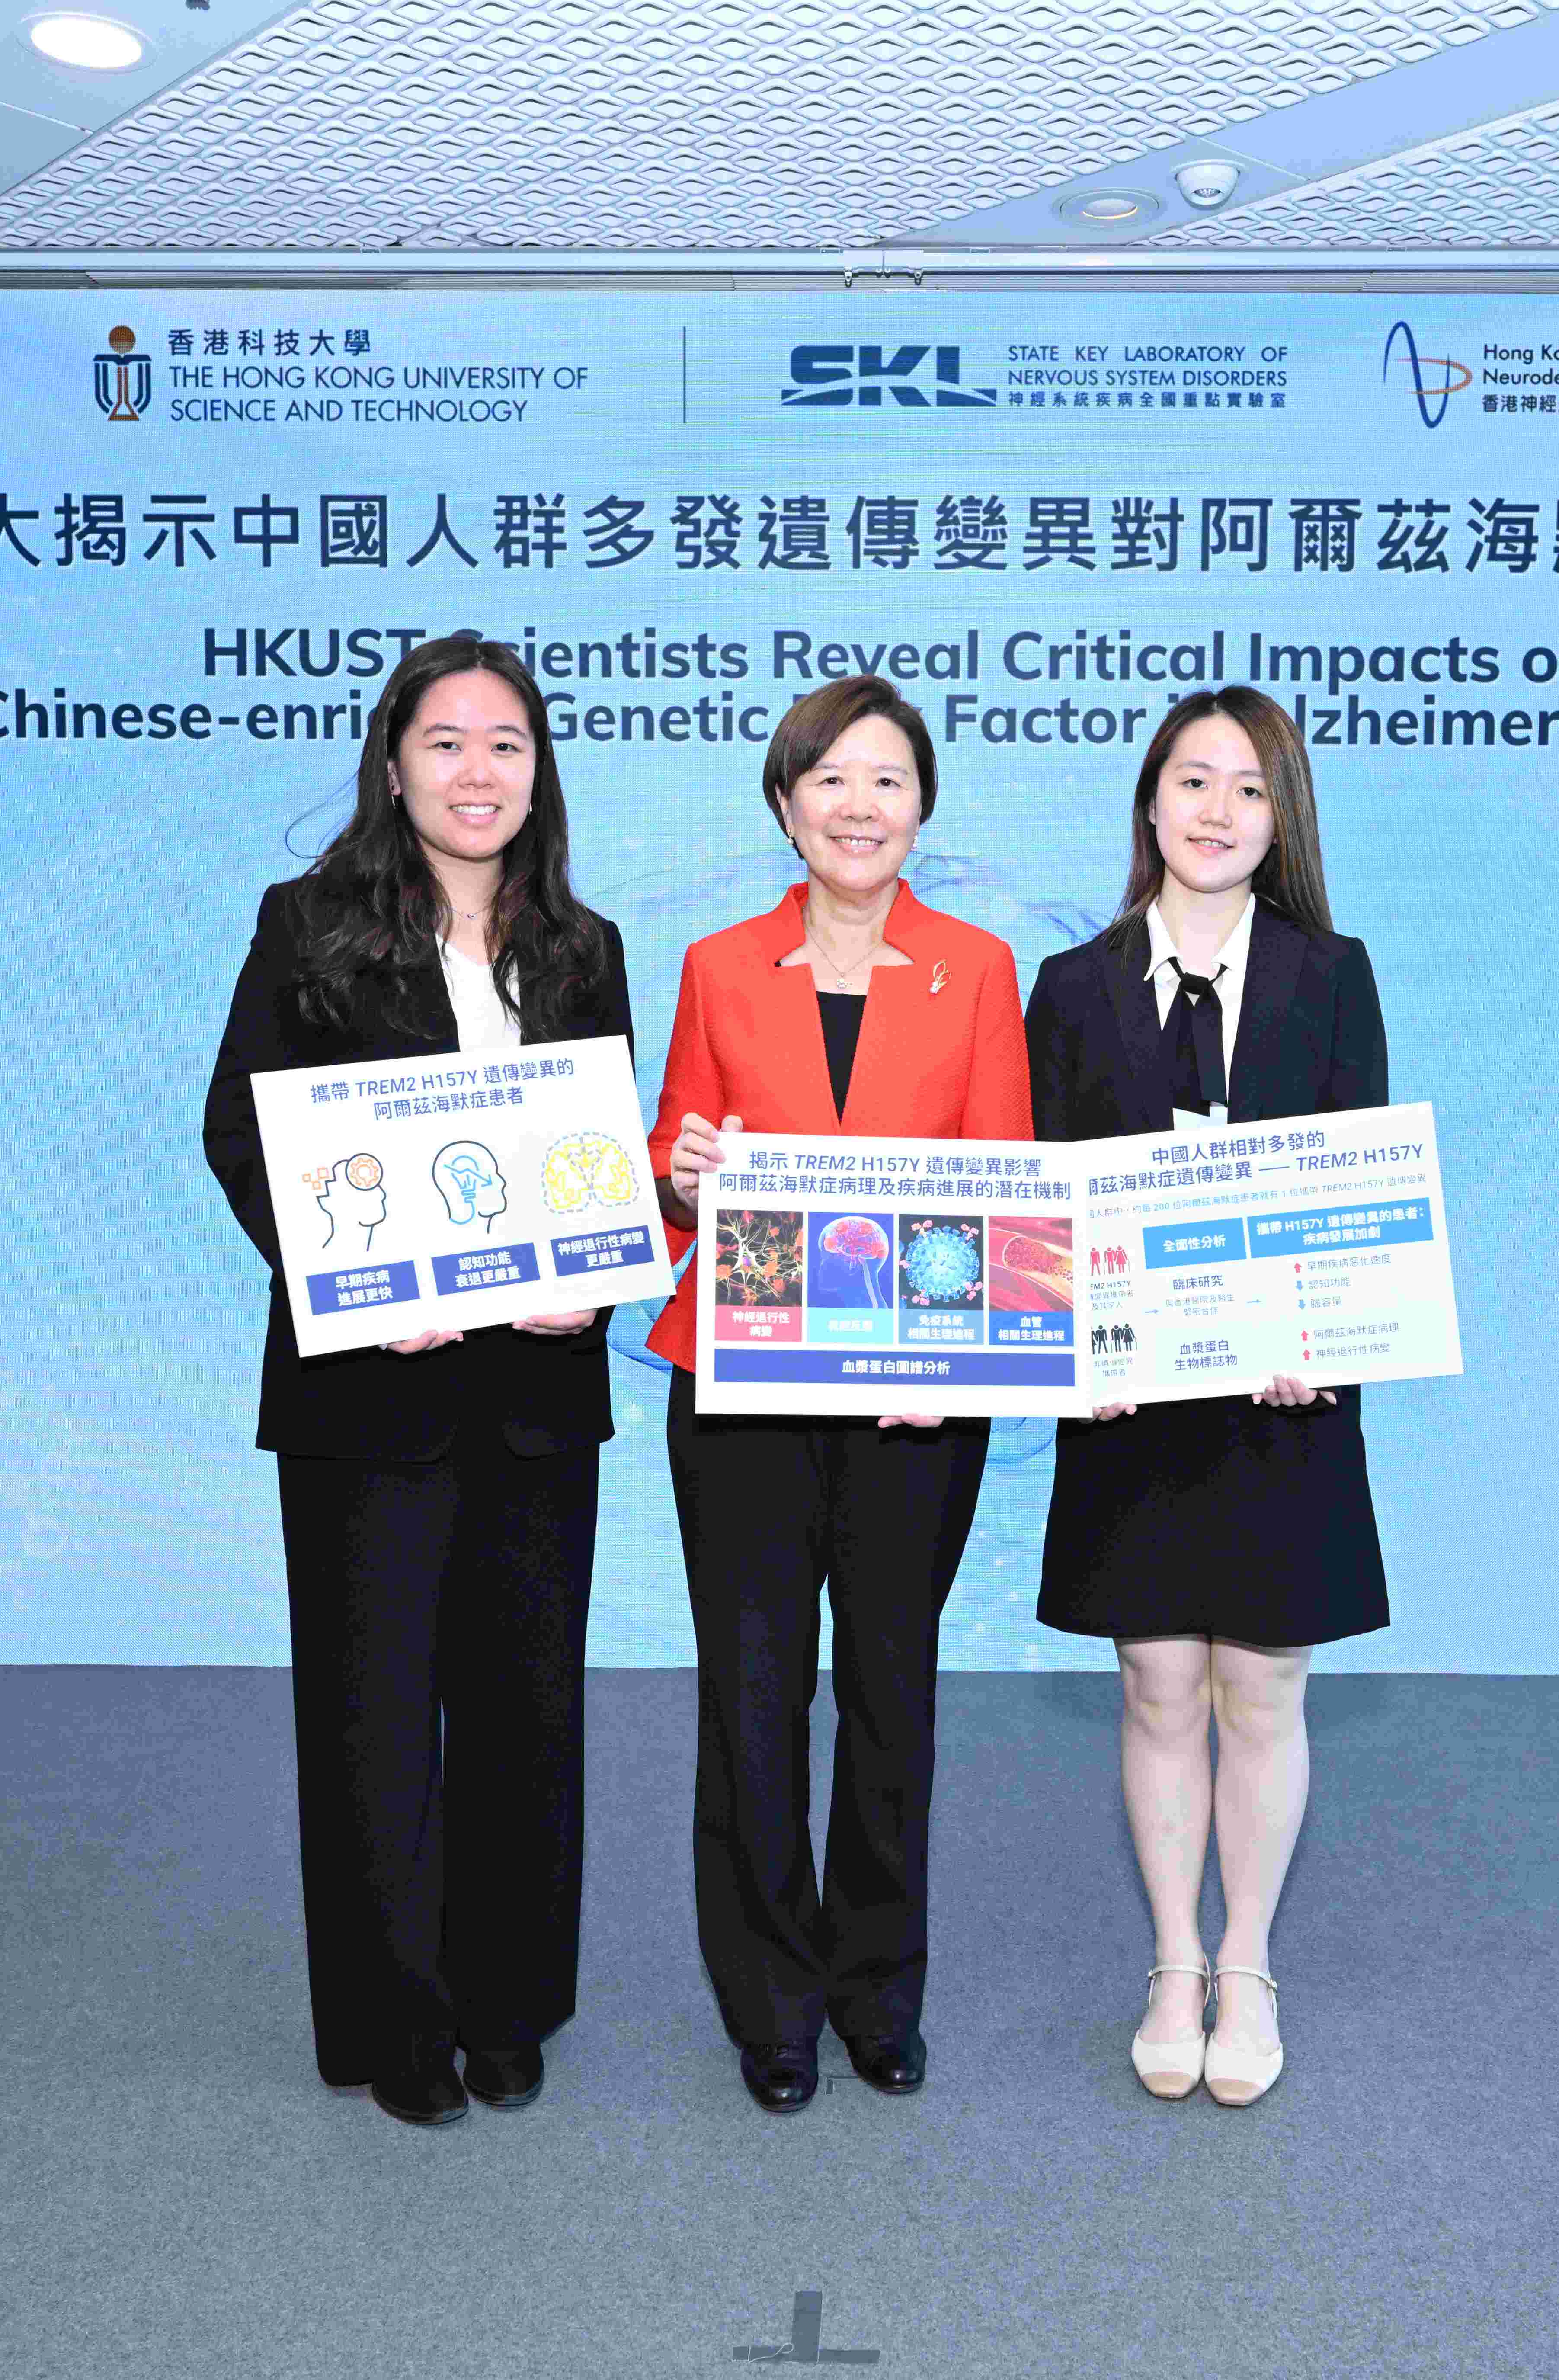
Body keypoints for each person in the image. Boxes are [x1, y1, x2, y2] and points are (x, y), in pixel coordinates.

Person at [202, 634, 630, 2127]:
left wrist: (597, 1269)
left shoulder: (584, 949)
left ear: (540, 773)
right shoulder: (306, 927)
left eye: (506, 745)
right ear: (392, 764)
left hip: (533, 1394)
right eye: (445, 743)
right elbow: (241, 1137)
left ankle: (509, 2006)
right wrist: (351, 1283)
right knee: (374, 1712)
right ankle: (397, 2021)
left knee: (526, 1709)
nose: (477, 773)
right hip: (367, 1394)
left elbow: (598, 1165)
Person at [647, 674, 1028, 2115]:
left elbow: (998, 1188)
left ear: (921, 806)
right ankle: (772, 2005)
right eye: (830, 781)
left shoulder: (980, 969)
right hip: (739, 1390)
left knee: (890, 1695)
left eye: (886, 779)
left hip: (917, 1404)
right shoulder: (718, 966)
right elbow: (677, 1180)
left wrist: (958, 1365)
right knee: (749, 1703)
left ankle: (879, 1991)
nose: (859, 806)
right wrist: (677, 1173)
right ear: (786, 806)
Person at [1023, 686, 1391, 2109]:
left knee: (1266, 1684)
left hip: (1285, 1400)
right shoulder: (1075, 985)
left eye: (1249, 788)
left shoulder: (1335, 975)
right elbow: (1045, 1203)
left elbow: (1362, 1192)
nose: (1218, 811)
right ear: (1150, 803)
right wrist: (1076, 1350)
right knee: (1157, 1681)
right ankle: (1172, 1959)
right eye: (1193, 781)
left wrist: (1328, 1331)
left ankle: (1250, 1963)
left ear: (1279, 818)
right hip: (1133, 1405)